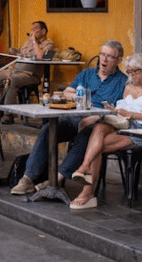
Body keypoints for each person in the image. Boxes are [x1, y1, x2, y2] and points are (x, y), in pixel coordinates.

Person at [10, 41, 128, 196]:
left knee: (85, 137)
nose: (104, 60)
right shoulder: (87, 74)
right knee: (48, 130)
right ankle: (28, 178)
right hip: (74, 117)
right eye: (102, 54)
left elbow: (117, 111)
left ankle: (56, 180)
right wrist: (81, 97)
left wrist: (93, 117)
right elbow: (67, 92)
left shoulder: (122, 82)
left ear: (118, 60)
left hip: (97, 122)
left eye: (109, 57)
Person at [66, 52, 142, 210]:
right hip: (124, 126)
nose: (132, 75)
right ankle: (85, 174)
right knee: (99, 128)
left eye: (135, 71)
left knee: (96, 146)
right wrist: (114, 110)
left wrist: (131, 114)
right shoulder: (129, 87)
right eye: (129, 72)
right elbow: (122, 113)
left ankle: (87, 190)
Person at [2, 21, 56, 116]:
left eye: (35, 29)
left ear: (43, 31)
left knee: (12, 80)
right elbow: (22, 53)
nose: (32, 31)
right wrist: (15, 51)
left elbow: (39, 56)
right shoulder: (27, 43)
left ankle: (8, 114)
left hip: (30, 75)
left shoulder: (48, 43)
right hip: (14, 70)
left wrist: (34, 42)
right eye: (32, 29)